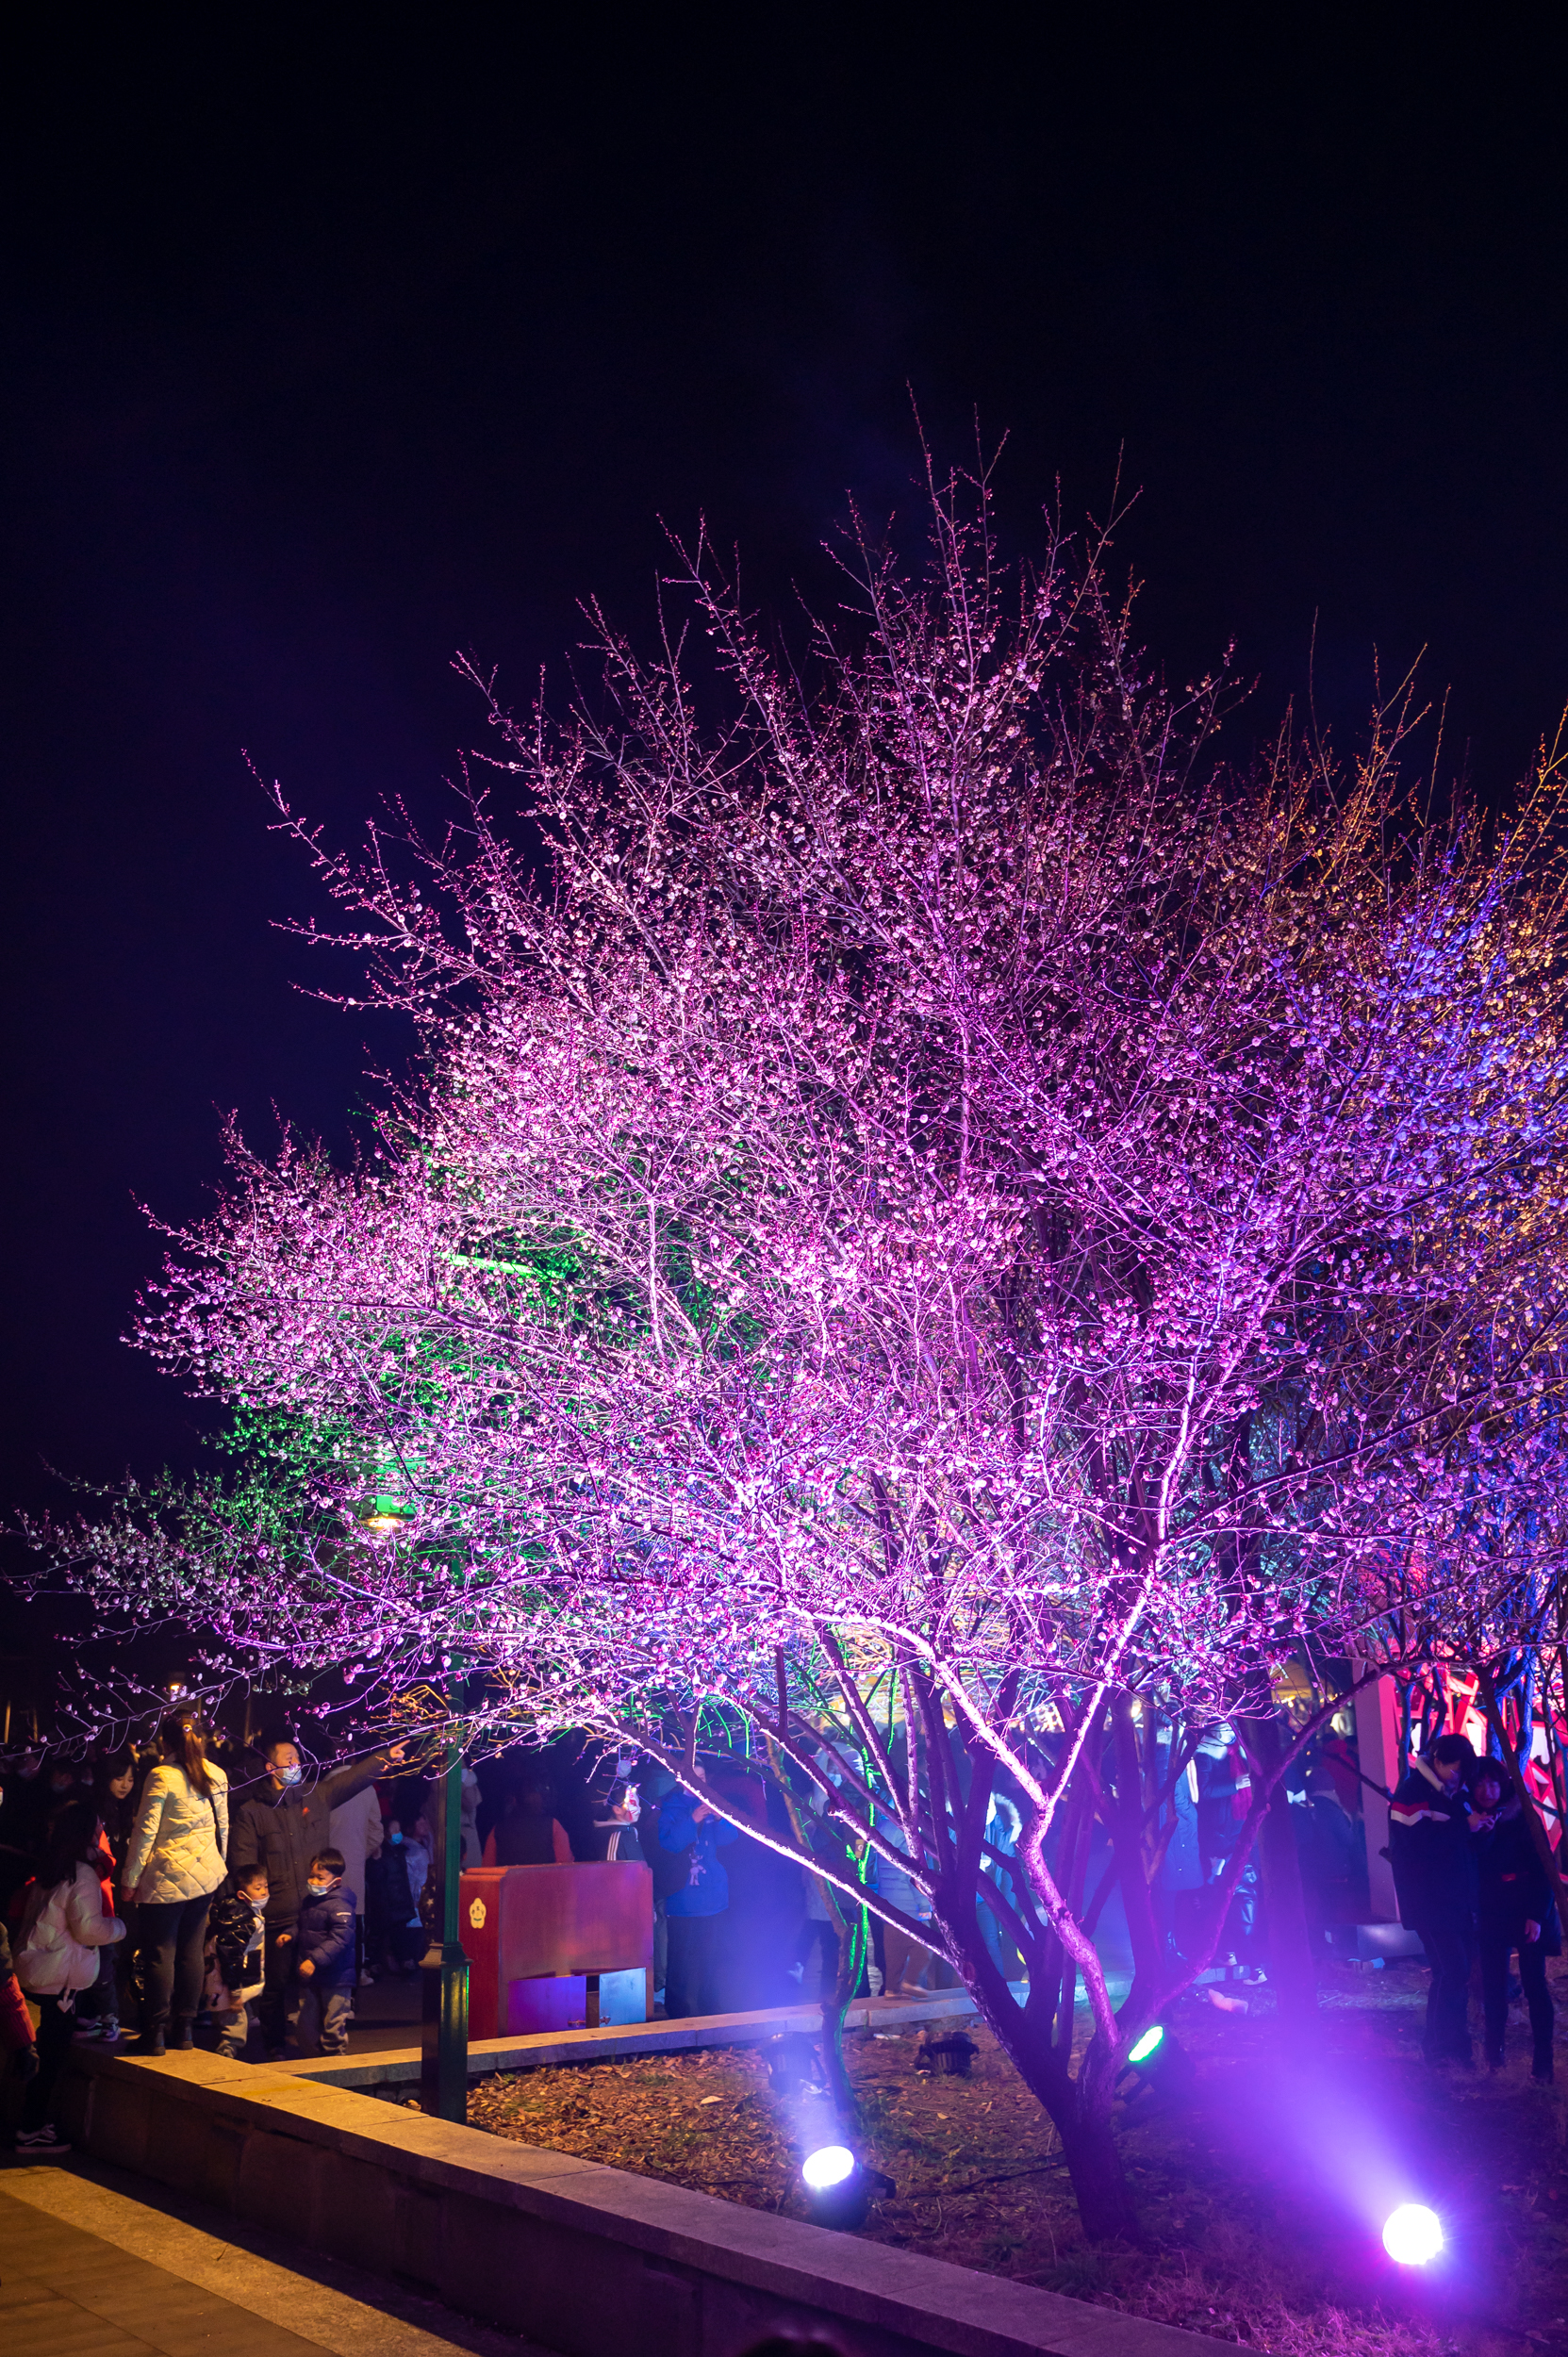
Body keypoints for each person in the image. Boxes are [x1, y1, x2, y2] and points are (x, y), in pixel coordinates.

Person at [228, 1729, 403, 2056]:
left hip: (315, 1910)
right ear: (271, 1767)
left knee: (321, 1981)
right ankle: (275, 2045)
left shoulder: (315, 1796)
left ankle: (322, 2044)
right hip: (279, 1913)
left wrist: (383, 1758)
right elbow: (244, 1863)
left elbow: (350, 1780)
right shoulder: (252, 1812)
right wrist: (254, 1902)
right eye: (289, 1758)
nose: (296, 1763)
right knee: (276, 1986)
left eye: (298, 1757)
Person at [13, 1801, 126, 2153]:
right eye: (97, 1829)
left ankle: (31, 2123)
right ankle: (31, 2129)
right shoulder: (82, 1874)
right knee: (52, 2057)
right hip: (58, 1977)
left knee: (47, 2048)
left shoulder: (53, 1865)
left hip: (40, 1967)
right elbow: (88, 1929)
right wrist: (119, 1927)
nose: (101, 1834)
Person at [121, 1710, 229, 2056]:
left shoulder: (161, 1776)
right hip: (205, 1878)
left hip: (166, 1880)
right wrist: (219, 1865)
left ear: (164, 1742)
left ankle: (155, 2032)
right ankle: (185, 2029)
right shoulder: (217, 1774)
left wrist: (130, 1879)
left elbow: (145, 1833)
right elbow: (223, 1827)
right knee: (192, 1951)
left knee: (160, 1954)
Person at [1388, 1730, 1478, 2066]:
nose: (1457, 1776)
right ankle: (1441, 2047)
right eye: (1454, 1769)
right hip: (1430, 1902)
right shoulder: (1413, 1793)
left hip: (1453, 1901)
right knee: (1452, 1971)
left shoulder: (1450, 1793)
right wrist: (1465, 1827)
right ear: (1437, 1761)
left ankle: (1451, 2046)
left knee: (1453, 1972)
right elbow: (1416, 1847)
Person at [1468, 1756, 1559, 2083]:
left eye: (1493, 1782)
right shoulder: (1469, 1819)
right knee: (1493, 1986)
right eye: (1480, 1783)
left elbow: (1543, 1868)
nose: (1487, 1790)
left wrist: (1536, 1914)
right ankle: (1494, 2057)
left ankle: (1543, 2062)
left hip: (1524, 1906)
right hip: (1491, 1909)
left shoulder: (1523, 1815)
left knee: (1535, 1985)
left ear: (1503, 1784)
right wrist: (1479, 1832)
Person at [658, 1772, 737, 2018]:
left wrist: (720, 1818)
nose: (697, 1779)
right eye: (692, 1774)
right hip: (682, 1897)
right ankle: (676, 2011)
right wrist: (692, 1819)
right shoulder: (669, 1806)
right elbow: (669, 1844)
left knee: (711, 1957)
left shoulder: (712, 1799)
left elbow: (729, 1838)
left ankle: (710, 2006)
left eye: (702, 1775)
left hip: (712, 1895)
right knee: (679, 1959)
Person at [293, 1847, 357, 2055]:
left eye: (320, 1878)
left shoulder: (340, 1905)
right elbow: (303, 1926)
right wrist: (289, 1934)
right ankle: (313, 2060)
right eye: (312, 1876)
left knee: (333, 2022)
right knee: (307, 2023)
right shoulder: (310, 1902)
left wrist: (314, 1960)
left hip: (336, 1976)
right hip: (311, 1976)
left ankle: (335, 2062)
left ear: (336, 1882)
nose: (313, 1882)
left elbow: (340, 1938)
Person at [206, 1864, 269, 2059]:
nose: (264, 1892)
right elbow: (231, 1956)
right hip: (229, 1981)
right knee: (234, 2021)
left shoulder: (239, 1913)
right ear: (242, 1894)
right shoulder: (242, 1921)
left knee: (238, 2015)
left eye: (266, 1886)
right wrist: (235, 1992)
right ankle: (226, 2055)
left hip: (234, 1978)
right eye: (258, 1888)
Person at [327, 1780, 384, 1984]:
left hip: (322, 1868)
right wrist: (360, 1854)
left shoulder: (320, 1787)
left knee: (323, 1922)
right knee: (354, 1924)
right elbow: (376, 1833)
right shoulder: (366, 1789)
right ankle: (355, 1977)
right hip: (353, 1869)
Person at [483, 1777, 573, 1866]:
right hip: (546, 1876)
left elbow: (487, 1868)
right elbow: (565, 1865)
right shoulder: (553, 1825)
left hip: (510, 1877)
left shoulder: (498, 1829)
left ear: (514, 1800)